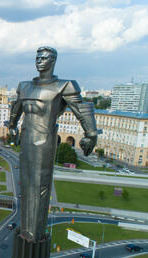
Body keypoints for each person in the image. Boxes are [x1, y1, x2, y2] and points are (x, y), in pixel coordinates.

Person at [8, 46, 98, 242]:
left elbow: (81, 108)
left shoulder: (64, 86)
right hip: (27, 141)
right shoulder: (24, 86)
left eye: (44, 58)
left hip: (44, 142)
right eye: (37, 57)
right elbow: (16, 107)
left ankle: (33, 235)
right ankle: (27, 231)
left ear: (53, 61)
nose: (39, 60)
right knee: (26, 184)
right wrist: (12, 125)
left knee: (39, 186)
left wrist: (91, 134)